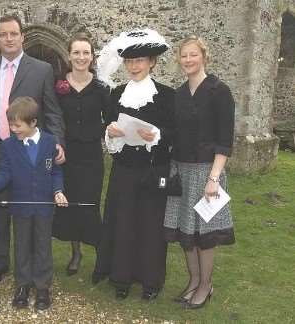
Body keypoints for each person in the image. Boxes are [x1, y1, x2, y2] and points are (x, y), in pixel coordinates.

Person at [0, 14, 65, 287]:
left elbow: (52, 110)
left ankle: (29, 269)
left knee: (31, 209)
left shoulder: (41, 69)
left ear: (22, 37)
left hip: (29, 151)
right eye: (3, 34)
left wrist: (58, 140)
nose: (8, 39)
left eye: (13, 34)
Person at [95, 29, 175, 300]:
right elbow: (108, 125)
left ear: (152, 62)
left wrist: (157, 135)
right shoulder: (116, 94)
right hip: (125, 170)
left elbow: (174, 133)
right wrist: (111, 132)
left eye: (140, 60)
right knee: (123, 223)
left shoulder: (166, 95)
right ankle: (121, 279)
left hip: (154, 169)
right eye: (129, 61)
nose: (134, 66)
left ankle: (151, 282)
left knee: (151, 226)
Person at [0, 97, 68, 311]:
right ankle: (22, 286)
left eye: (17, 125)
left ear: (33, 122)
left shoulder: (50, 142)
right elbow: (5, 173)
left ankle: (42, 287)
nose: (13, 129)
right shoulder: (9, 145)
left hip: (43, 207)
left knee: (43, 246)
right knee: (22, 245)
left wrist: (58, 191)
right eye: (11, 125)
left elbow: (56, 171)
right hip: (21, 207)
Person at [164, 35, 235, 309]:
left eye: (193, 55)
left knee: (204, 235)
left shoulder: (220, 91)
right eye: (184, 56)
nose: (188, 60)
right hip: (181, 170)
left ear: (204, 56)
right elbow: (173, 132)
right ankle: (193, 281)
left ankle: (206, 285)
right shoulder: (179, 94)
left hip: (208, 172)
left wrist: (214, 178)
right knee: (186, 232)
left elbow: (225, 140)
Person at [51, 33, 109, 280]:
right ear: (69, 55)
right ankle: (75, 254)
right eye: (76, 52)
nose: (81, 57)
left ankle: (101, 258)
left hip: (91, 157)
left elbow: (111, 120)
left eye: (86, 52)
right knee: (70, 206)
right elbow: (52, 117)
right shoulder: (58, 86)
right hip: (67, 156)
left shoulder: (101, 88)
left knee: (90, 205)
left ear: (92, 57)